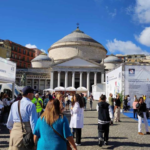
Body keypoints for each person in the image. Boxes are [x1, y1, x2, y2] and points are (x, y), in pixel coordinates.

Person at [7, 86, 38, 150]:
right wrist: (35, 141)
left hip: (15, 132)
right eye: (33, 93)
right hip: (26, 133)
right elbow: (33, 123)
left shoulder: (14, 104)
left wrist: (13, 131)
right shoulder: (31, 105)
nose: (34, 95)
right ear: (29, 94)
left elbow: (9, 122)